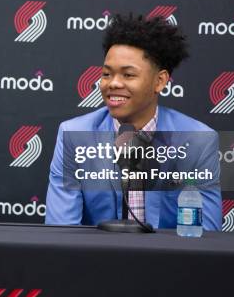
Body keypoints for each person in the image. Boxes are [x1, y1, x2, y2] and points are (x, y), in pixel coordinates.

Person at [45, 13, 222, 230]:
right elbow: (61, 231)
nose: (113, 84)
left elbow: (205, 233)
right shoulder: (73, 135)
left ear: (160, 81)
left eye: (128, 75)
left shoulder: (197, 141)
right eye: (106, 74)